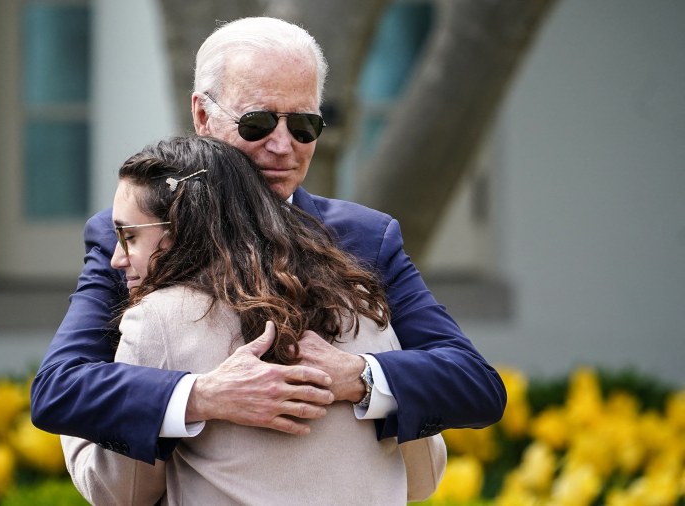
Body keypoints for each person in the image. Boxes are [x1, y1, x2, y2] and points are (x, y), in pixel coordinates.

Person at [31, 16, 506, 466]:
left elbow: (475, 384)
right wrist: (206, 395)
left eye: (303, 126)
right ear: (202, 115)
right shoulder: (135, 235)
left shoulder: (364, 237)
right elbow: (58, 389)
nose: (282, 146)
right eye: (257, 123)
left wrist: (357, 377)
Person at [62, 135, 445, 504]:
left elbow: (119, 493)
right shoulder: (361, 304)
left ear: (180, 228)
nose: (116, 258)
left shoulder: (156, 322)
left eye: (128, 235)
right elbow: (425, 477)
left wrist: (78, 423)